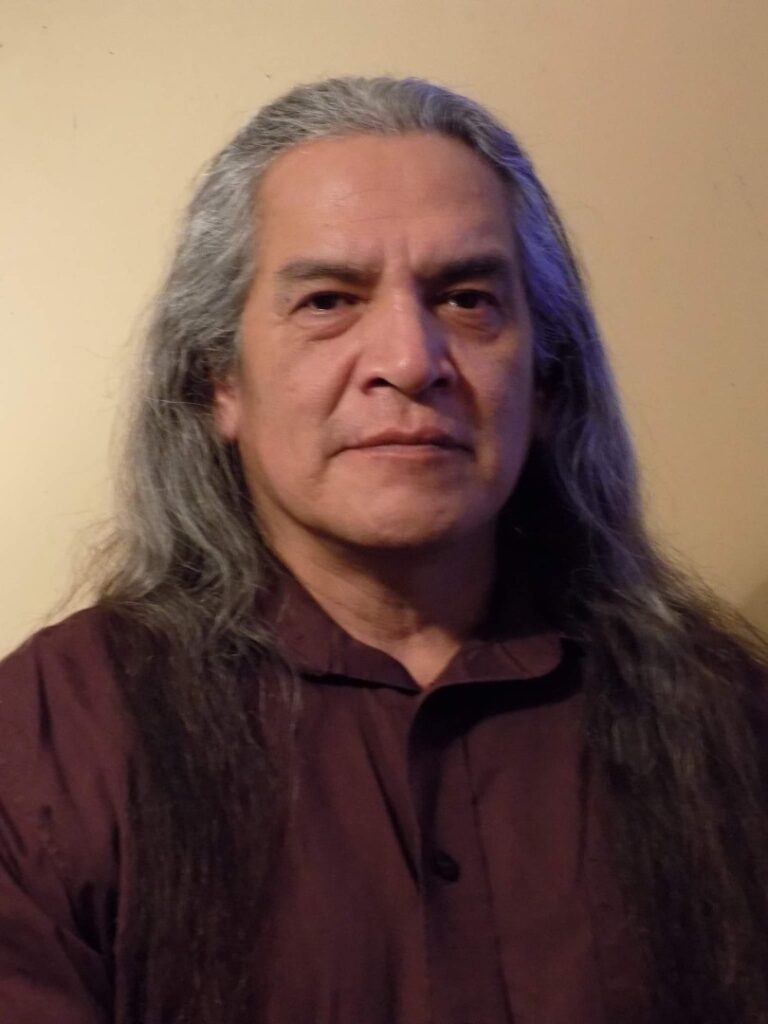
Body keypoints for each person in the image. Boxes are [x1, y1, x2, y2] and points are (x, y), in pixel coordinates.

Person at [1, 76, 766, 1024]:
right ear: (220, 381)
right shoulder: (50, 743)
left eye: (468, 299)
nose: (409, 360)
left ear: (546, 380)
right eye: (329, 299)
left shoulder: (725, 720)